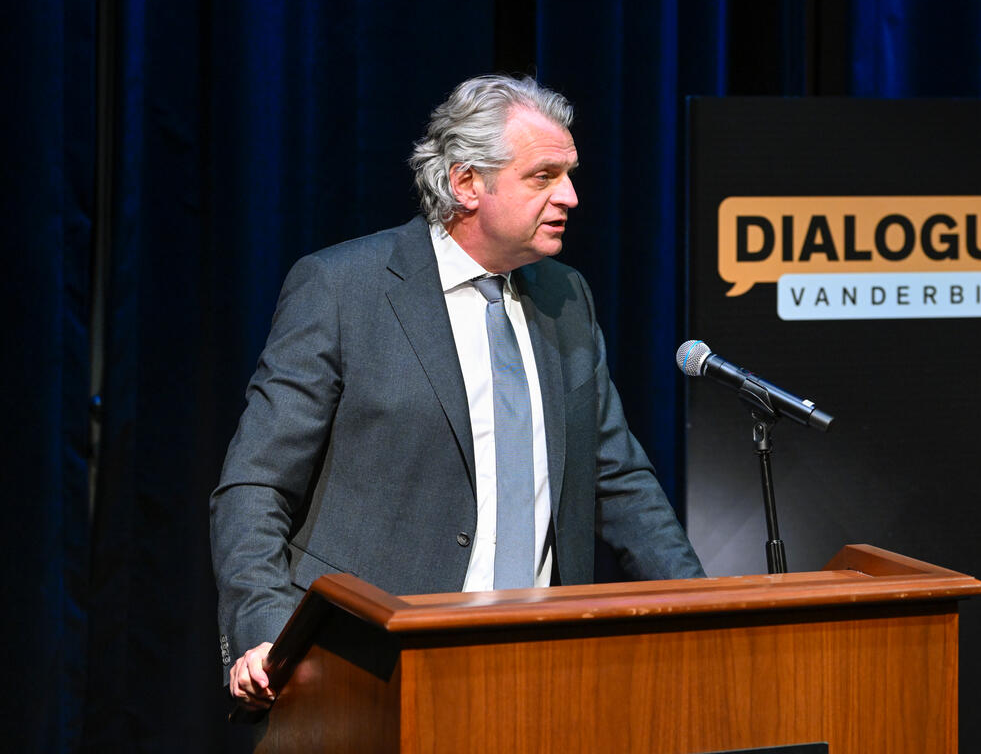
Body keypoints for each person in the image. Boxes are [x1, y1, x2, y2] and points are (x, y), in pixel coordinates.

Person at [210, 75, 706, 709]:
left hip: (538, 667)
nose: (572, 197)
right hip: (369, 667)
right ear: (467, 183)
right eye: (544, 176)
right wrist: (266, 630)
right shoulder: (343, 289)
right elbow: (254, 485)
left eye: (570, 174)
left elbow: (619, 481)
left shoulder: (566, 297)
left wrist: (701, 613)